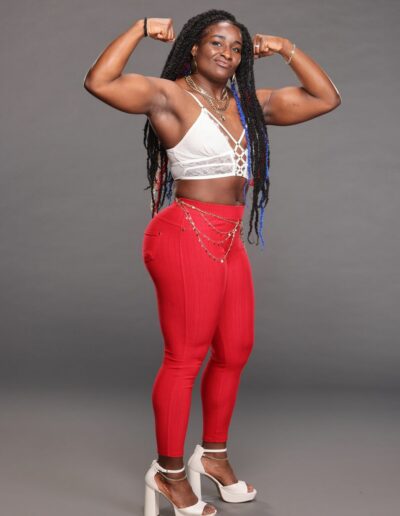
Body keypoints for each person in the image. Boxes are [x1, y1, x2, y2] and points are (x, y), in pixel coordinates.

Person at [83, 9, 341, 516]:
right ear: (194, 49)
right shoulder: (169, 96)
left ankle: (213, 456)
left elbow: (325, 98)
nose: (228, 53)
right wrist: (139, 29)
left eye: (237, 47)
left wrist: (286, 47)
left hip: (226, 240)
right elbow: (100, 82)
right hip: (183, 235)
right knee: (185, 358)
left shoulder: (248, 104)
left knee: (235, 350)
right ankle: (169, 474)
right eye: (217, 43)